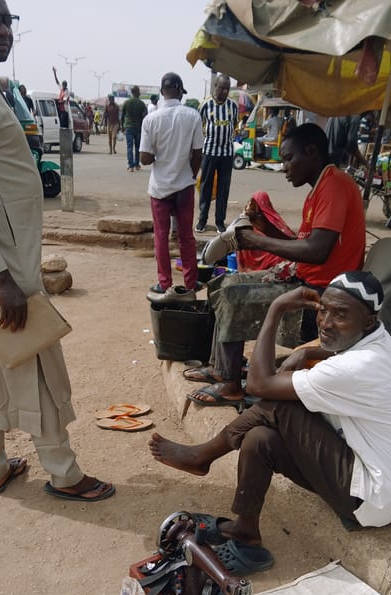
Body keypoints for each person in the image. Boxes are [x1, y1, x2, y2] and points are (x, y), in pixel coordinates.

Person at [0, 0, 114, 502]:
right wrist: (2, 278)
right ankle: (63, 471)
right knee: (33, 356)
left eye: (5, 20)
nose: (0, 30)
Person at [149, 272, 391, 576]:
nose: (326, 322)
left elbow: (258, 384)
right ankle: (245, 530)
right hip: (368, 473)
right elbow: (337, 347)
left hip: (372, 497)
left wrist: (276, 308)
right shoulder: (377, 340)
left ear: (368, 321)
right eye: (323, 310)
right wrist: (306, 352)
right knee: (260, 439)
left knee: (281, 405)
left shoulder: (358, 367)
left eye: (341, 315)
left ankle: (204, 455)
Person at [187, 123, 366, 407]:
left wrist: (255, 241)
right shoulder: (321, 187)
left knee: (234, 294)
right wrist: (264, 230)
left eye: (288, 158)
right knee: (222, 283)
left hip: (319, 291)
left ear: (311, 151)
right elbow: (305, 243)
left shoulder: (333, 185)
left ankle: (231, 383)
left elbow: (317, 251)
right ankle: (220, 367)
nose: (284, 167)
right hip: (308, 279)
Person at [140, 72, 203, 303]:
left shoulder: (151, 120)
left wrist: (160, 154)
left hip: (160, 188)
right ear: (179, 90)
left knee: (161, 237)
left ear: (162, 91)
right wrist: (190, 174)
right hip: (184, 185)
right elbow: (198, 154)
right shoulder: (192, 116)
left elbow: (144, 158)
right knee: (186, 237)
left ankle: (164, 283)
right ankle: (190, 282)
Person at [196, 75, 239, 233]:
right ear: (215, 86)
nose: (225, 91)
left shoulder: (232, 106)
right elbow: (198, 126)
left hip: (227, 154)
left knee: (223, 188)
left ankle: (220, 221)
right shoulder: (205, 105)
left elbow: (234, 124)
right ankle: (202, 220)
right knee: (206, 186)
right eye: (222, 88)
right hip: (209, 152)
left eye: (227, 88)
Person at [120, 85, 147, 173]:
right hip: (138, 128)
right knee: (138, 147)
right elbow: (145, 116)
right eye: (139, 91)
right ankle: (136, 164)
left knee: (129, 147)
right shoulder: (141, 103)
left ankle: (130, 165)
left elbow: (122, 115)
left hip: (129, 127)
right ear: (136, 92)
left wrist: (122, 126)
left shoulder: (126, 102)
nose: (139, 93)